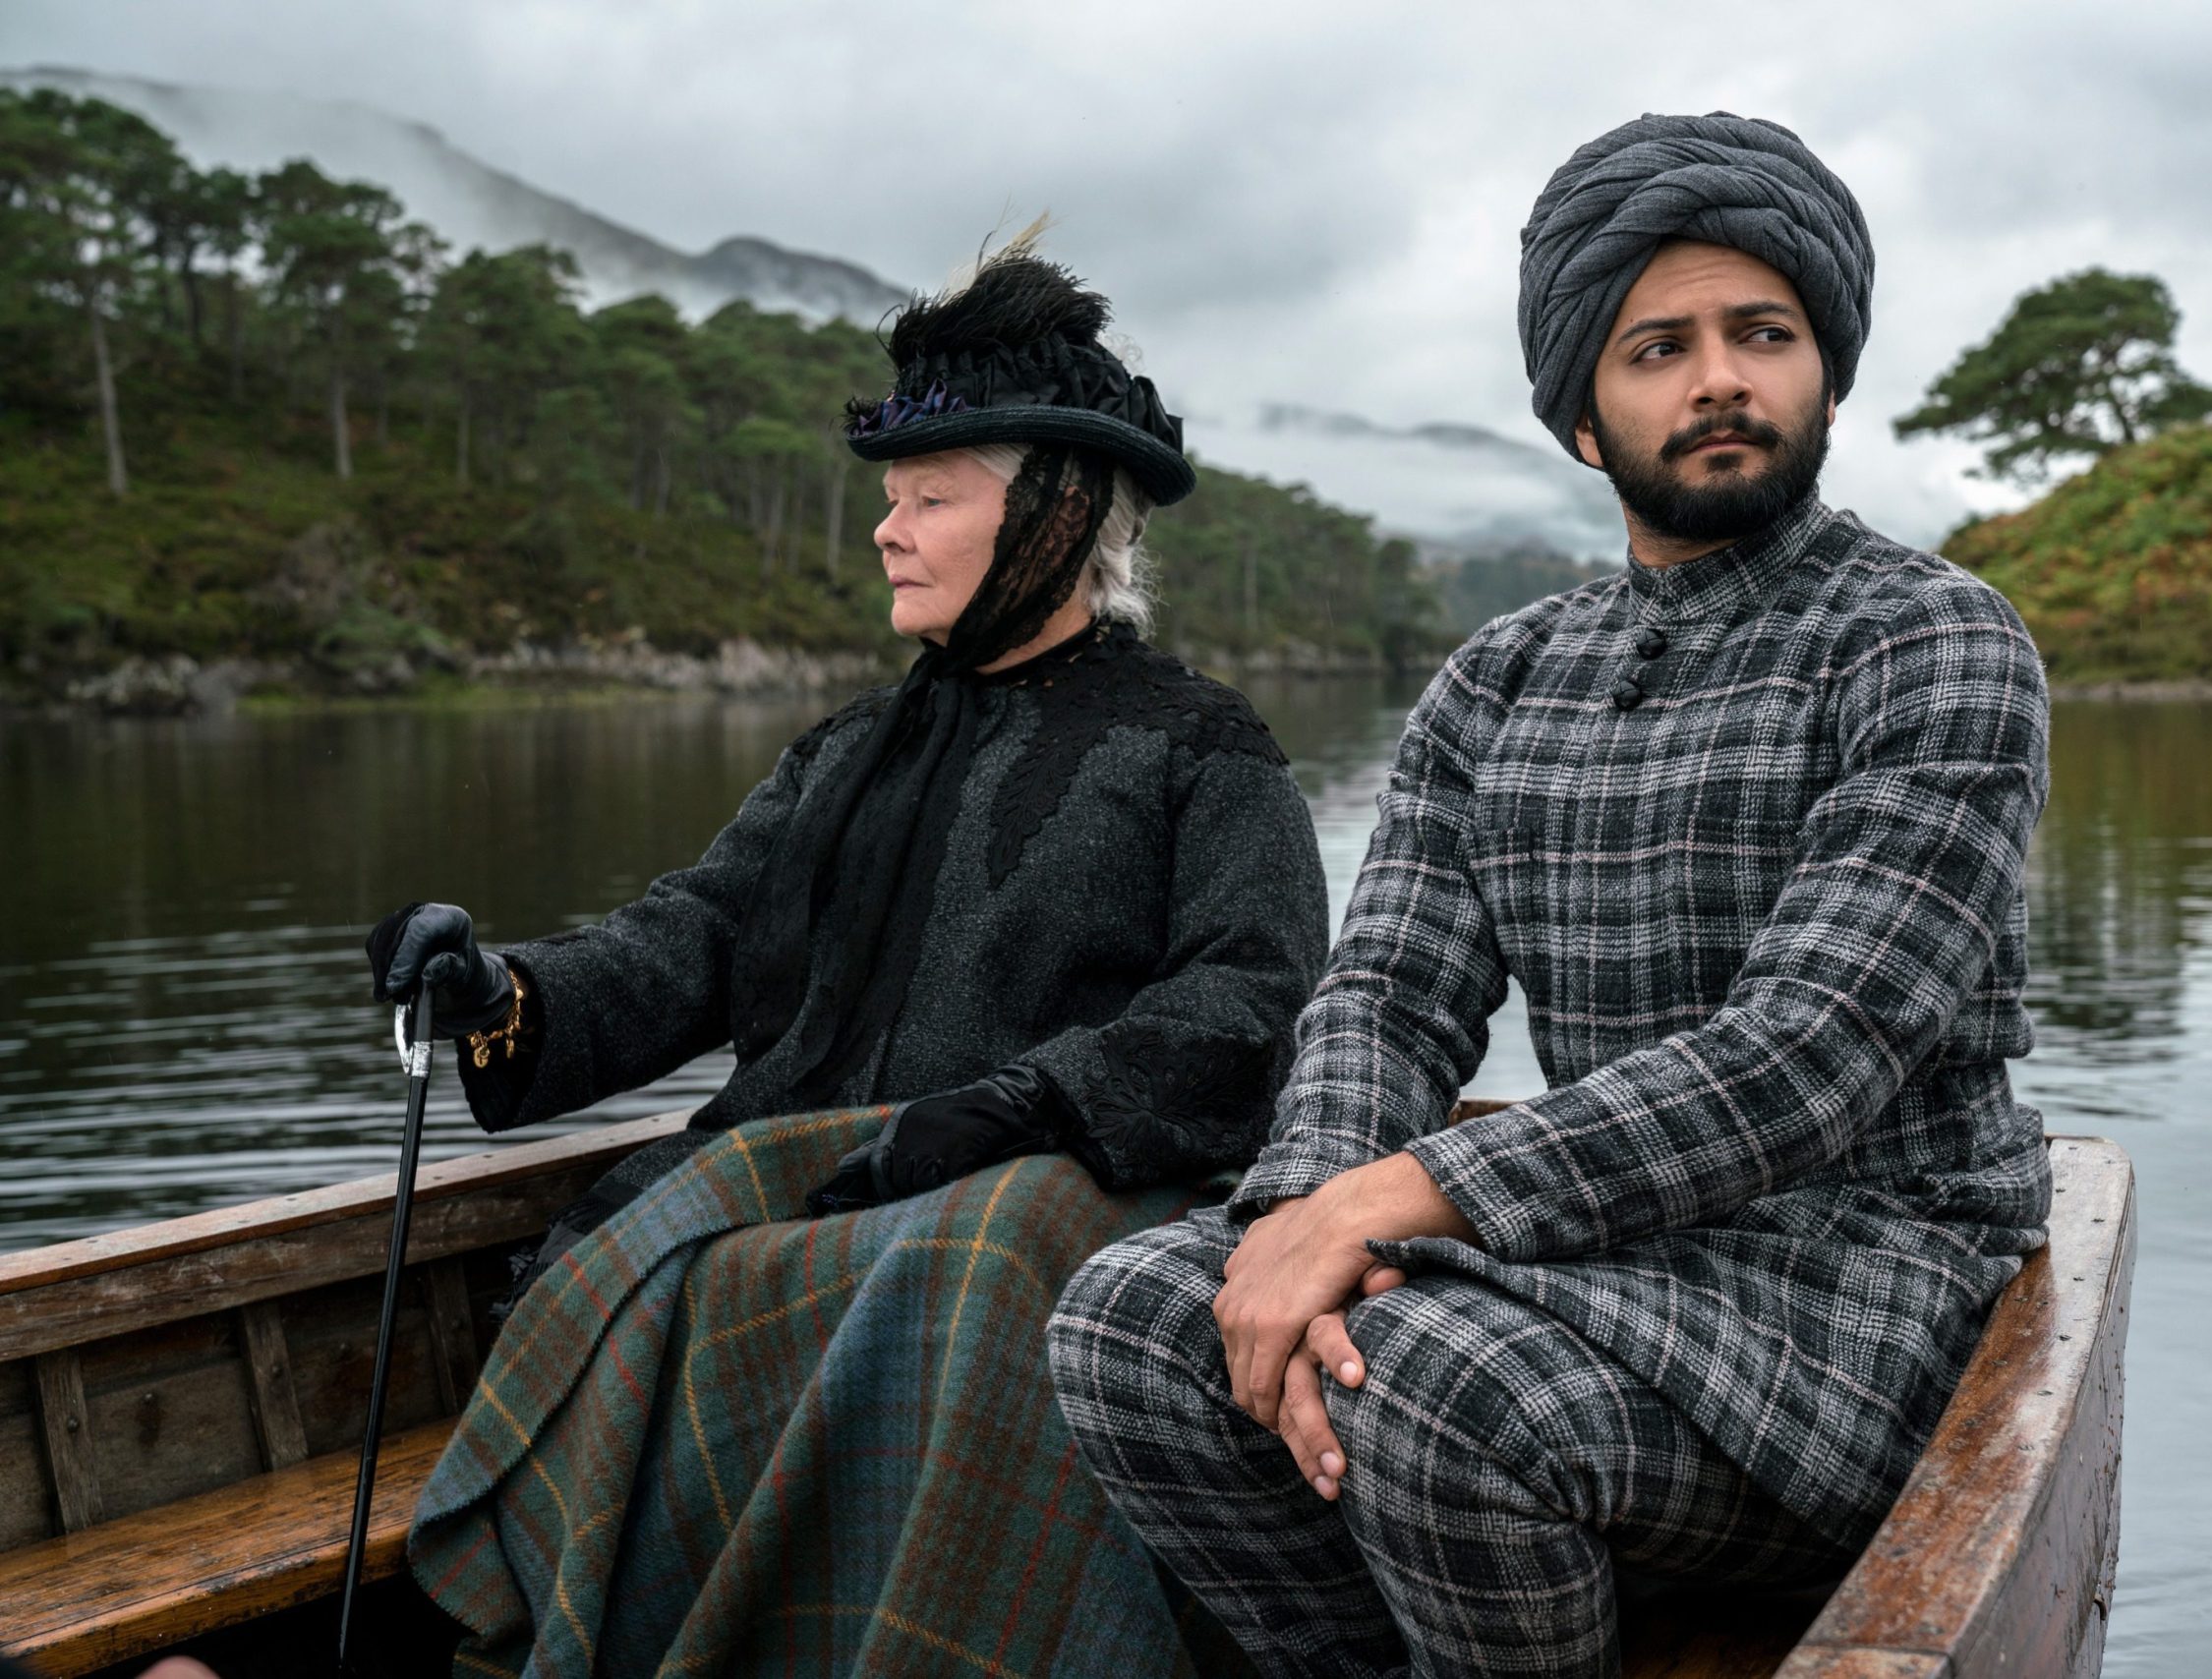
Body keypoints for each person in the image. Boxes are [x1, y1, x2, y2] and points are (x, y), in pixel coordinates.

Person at [1049, 112, 2054, 1678]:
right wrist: (1299, 1221)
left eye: (1762, 333)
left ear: (1828, 375)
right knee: (1130, 1320)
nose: (1718, 377)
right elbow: (1385, 995)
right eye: (1658, 347)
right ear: (1585, 417)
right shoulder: (1499, 681)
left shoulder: (1934, 643)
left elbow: (1808, 1057)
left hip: (1867, 1279)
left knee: (1439, 1385)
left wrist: (1380, 1210)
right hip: (1612, 1257)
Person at [373, 240, 1329, 1677]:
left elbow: (1255, 1000)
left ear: (1060, 517)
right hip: (813, 1194)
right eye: (889, 501)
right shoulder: (840, 755)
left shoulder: (1202, 748)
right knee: (668, 1270)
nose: (887, 532)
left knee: (986, 1257)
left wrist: (1029, 1103)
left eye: (930, 499)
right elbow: (690, 938)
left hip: (1062, 1193)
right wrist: (498, 993)